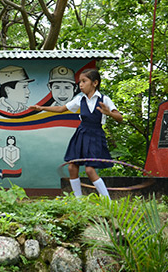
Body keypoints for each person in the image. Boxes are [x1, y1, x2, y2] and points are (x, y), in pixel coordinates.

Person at [29, 68, 123, 199]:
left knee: (90, 170)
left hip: (95, 135)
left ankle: (107, 202)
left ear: (95, 83)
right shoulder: (80, 99)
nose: (81, 85)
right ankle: (79, 201)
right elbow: (61, 108)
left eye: (84, 81)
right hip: (81, 134)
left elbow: (120, 117)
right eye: (80, 82)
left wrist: (109, 113)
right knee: (72, 167)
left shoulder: (104, 99)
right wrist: (42, 108)